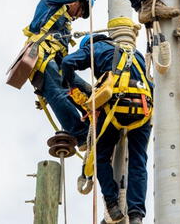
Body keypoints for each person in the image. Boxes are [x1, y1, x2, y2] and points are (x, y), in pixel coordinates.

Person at [61, 32, 153, 224]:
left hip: (116, 108)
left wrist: (69, 84)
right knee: (138, 161)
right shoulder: (136, 54)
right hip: (143, 108)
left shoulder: (96, 47)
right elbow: (150, 83)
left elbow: (68, 62)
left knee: (100, 155)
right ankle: (136, 215)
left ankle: (112, 205)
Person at [23, 0, 109, 148]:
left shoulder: (64, 25)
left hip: (56, 63)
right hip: (42, 57)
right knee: (60, 93)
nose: (78, 16)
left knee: (88, 92)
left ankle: (99, 125)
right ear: (75, 0)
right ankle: (82, 135)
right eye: (82, 10)